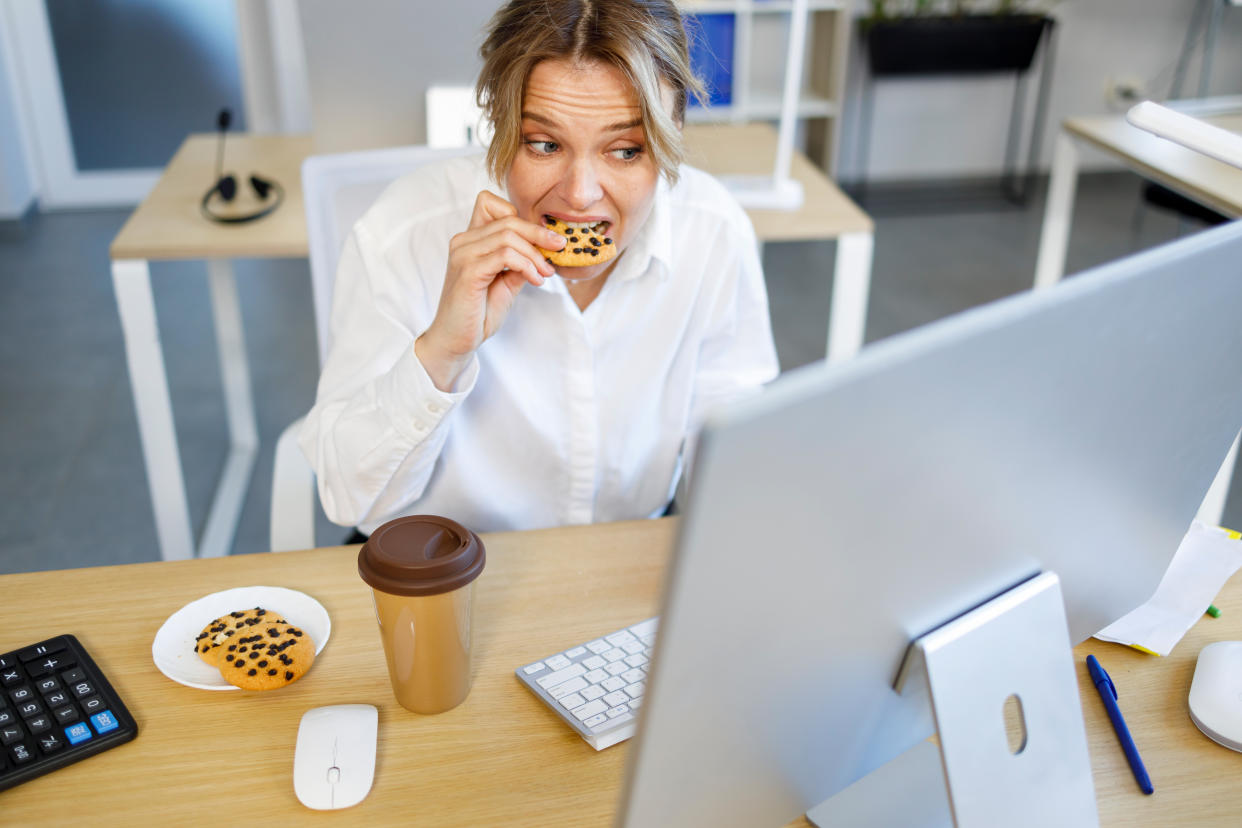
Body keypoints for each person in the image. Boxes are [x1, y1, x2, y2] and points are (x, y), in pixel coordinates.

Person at [298, 0, 779, 538]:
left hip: (623, 562)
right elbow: (347, 499)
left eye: (624, 151)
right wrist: (443, 351)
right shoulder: (402, 234)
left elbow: (736, 454)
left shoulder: (713, 233)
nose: (580, 195)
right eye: (544, 144)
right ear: (499, 128)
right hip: (441, 569)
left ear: (671, 142)